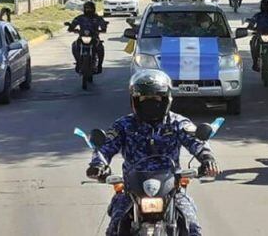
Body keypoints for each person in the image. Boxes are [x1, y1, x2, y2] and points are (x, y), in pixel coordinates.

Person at [86, 70, 219, 236]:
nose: (150, 103)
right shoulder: (124, 125)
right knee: (114, 227)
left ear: (166, 100)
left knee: (192, 226)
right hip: (132, 189)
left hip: (171, 188)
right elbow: (105, 147)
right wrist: (98, 165)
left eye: (156, 99)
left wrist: (207, 159)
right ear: (135, 101)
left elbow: (196, 141)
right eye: (144, 99)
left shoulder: (177, 122)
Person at [68, 1, 108, 74]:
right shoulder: (80, 18)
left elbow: (103, 25)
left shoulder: (97, 18)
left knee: (100, 48)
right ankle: (78, 62)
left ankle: (99, 65)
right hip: (82, 37)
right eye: (86, 8)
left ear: (93, 9)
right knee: (74, 45)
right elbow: (73, 24)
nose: (88, 10)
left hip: (94, 38)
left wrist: (103, 28)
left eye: (90, 8)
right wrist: (71, 28)